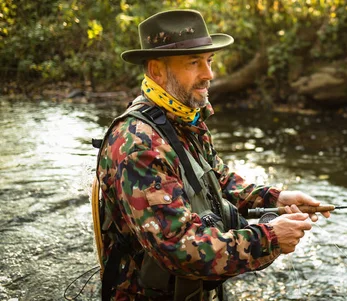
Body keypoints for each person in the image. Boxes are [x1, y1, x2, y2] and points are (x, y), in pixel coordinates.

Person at [94, 9, 330, 301]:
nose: (209, 75)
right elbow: (178, 247)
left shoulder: (184, 119)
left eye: (209, 61)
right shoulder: (137, 145)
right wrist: (270, 238)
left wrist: (276, 199)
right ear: (156, 71)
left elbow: (218, 180)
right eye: (194, 63)